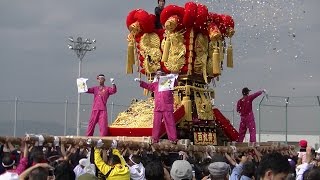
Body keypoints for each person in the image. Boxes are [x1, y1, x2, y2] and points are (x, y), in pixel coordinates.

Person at [134, 70, 178, 143]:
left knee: (170, 123)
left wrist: (173, 77)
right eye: (157, 74)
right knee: (156, 124)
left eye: (160, 74)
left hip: (167, 106)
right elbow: (148, 86)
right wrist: (140, 82)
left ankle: (173, 139)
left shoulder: (168, 82)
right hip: (158, 106)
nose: (158, 76)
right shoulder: (155, 84)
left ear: (163, 75)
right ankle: (155, 138)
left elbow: (175, 83)